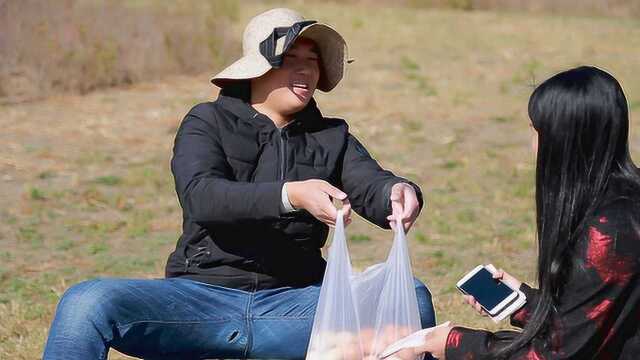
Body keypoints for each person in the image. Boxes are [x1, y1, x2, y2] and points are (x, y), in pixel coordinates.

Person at [42, 8, 436, 359]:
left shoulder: (332, 136)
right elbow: (202, 196)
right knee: (87, 301)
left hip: (296, 309)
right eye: (289, 59)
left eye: (312, 62)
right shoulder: (206, 121)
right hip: (200, 303)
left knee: (411, 295)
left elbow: (371, 183)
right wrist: (290, 195)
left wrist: (398, 193)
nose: (304, 71)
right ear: (257, 68)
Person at [412, 66, 640, 359]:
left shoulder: (608, 235)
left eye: (537, 131)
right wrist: (523, 303)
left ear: (564, 140)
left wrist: (453, 342)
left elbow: (554, 355)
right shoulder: (622, 206)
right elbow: (590, 318)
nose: (532, 145)